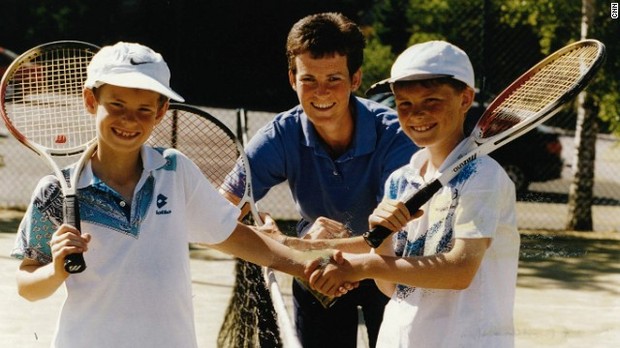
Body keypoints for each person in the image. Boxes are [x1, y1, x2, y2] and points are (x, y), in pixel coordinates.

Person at [10, 41, 333, 348]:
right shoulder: (55, 192)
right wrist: (56, 269)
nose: (129, 120)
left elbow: (239, 239)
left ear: (162, 110)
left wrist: (309, 265)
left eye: (143, 110)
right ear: (91, 101)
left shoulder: (176, 171)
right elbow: (27, 286)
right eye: (117, 105)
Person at [223, 12, 417, 348]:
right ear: (292, 79)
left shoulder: (395, 136)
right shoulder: (280, 135)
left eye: (334, 79)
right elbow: (222, 207)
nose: (321, 92)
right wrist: (261, 230)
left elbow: (391, 236)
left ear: (356, 79)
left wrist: (300, 246)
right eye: (309, 79)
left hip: (385, 263)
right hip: (317, 266)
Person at [309, 40, 520, 347]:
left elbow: (460, 270)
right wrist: (378, 241)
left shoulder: (483, 176)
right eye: (404, 104)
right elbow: (391, 287)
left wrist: (364, 266)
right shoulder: (401, 179)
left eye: (431, 100)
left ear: (465, 98)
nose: (416, 114)